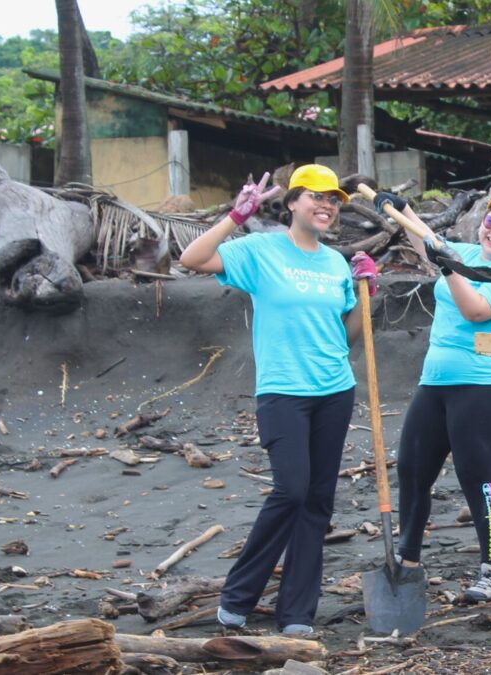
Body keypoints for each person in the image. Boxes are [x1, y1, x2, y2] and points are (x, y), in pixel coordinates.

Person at [179, 165, 378, 635]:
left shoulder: (334, 263)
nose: (327, 205)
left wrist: (366, 290)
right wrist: (238, 214)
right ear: (292, 203)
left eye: (334, 200)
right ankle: (238, 596)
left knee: (316, 503)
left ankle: (296, 614)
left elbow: (347, 336)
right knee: (291, 489)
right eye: (317, 196)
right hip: (283, 392)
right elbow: (192, 258)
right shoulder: (262, 250)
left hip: (334, 390)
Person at [372, 189, 491, 601]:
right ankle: (408, 561)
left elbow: (476, 311)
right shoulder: (463, 252)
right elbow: (426, 239)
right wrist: (402, 209)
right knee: (411, 469)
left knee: (477, 477)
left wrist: (448, 268)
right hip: (435, 382)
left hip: (486, 386)